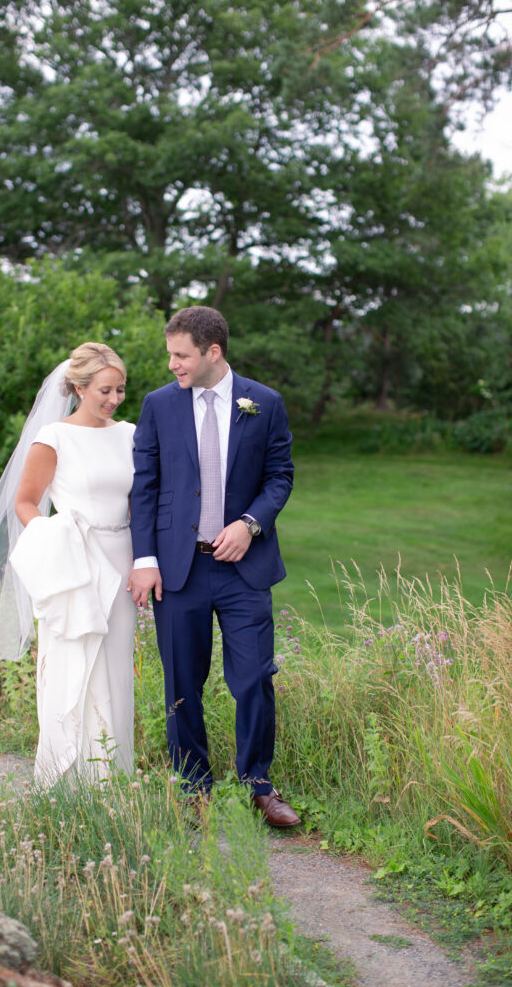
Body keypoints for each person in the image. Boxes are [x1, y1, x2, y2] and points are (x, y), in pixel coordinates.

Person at [128, 306, 300, 828]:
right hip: (178, 571)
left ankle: (258, 785)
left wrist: (250, 524)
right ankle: (192, 786)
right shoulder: (159, 405)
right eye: (171, 355)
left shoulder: (264, 403)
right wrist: (144, 559)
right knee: (182, 681)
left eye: (181, 356)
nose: (173, 365)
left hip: (243, 569)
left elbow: (280, 476)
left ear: (213, 352)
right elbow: (145, 487)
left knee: (253, 678)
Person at [0, 343, 136, 785]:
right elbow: (24, 503)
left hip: (123, 561)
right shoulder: (53, 437)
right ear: (78, 387)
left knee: (113, 671)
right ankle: (67, 783)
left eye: (120, 390)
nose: (114, 399)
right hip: (74, 564)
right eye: (104, 390)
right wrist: (57, 540)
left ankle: (112, 782)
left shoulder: (131, 433)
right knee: (74, 671)